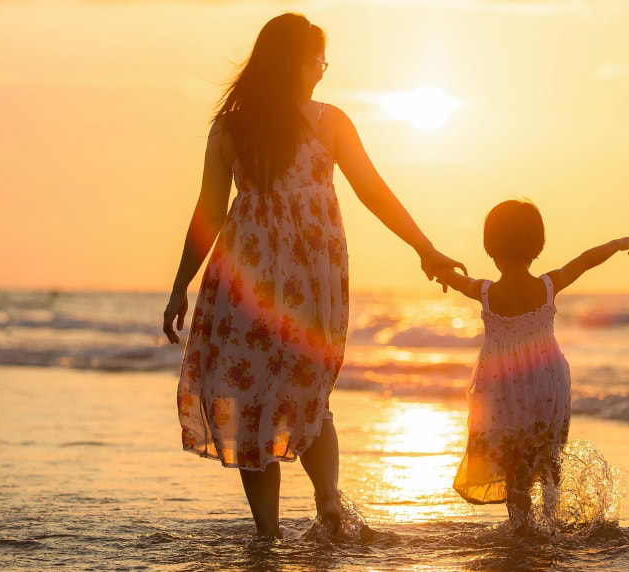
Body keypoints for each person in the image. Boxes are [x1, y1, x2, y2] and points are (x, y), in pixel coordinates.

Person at [161, 13, 464, 538]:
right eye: (318, 59)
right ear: (296, 62)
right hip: (310, 278)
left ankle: (268, 535)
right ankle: (327, 503)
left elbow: (208, 213)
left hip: (245, 281)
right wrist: (424, 248)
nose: (323, 70)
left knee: (249, 397)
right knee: (307, 392)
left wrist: (180, 286)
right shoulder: (327, 121)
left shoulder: (232, 126)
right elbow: (373, 191)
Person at [433, 199, 629, 530]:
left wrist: (437, 270)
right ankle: (551, 521)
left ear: (490, 248)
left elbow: (455, 280)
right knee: (548, 455)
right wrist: (618, 244)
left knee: (514, 463)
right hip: (548, 383)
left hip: (503, 389)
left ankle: (523, 528)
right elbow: (585, 261)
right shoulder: (547, 286)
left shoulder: (486, 292)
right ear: (537, 247)